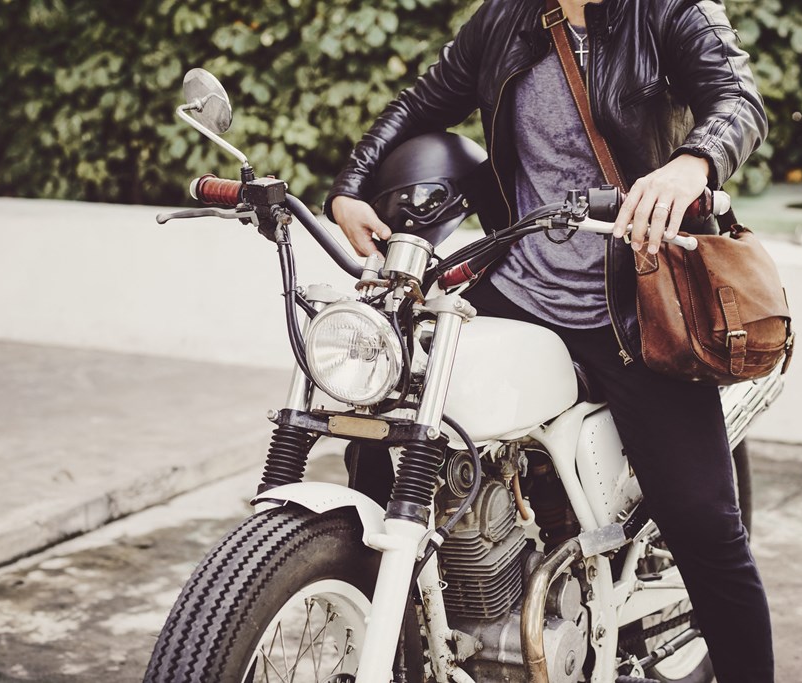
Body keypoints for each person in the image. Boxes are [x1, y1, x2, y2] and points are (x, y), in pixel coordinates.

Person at [324, 0, 773, 681]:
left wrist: (692, 163)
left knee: (706, 530)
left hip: (635, 307)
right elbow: (418, 104)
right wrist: (350, 188)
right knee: (384, 421)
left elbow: (738, 97)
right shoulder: (505, 18)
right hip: (519, 286)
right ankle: (403, 621)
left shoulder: (670, 11)